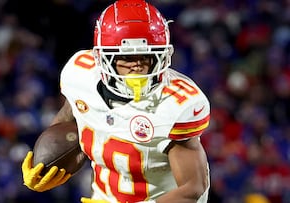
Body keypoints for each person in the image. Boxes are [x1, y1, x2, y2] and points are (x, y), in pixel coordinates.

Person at [21, 0, 211, 202]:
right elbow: (71, 117)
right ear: (103, 58)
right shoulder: (80, 76)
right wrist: (46, 161)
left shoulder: (175, 105)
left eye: (147, 56)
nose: (138, 66)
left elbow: (192, 189)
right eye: (127, 57)